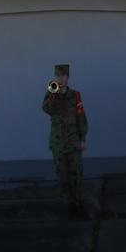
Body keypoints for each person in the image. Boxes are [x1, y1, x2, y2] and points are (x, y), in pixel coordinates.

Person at [41, 64, 88, 220]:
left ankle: (79, 205)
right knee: (63, 176)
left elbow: (81, 119)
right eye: (57, 76)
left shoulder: (75, 96)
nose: (60, 79)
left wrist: (82, 139)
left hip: (73, 143)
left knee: (77, 176)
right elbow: (47, 109)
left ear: (68, 78)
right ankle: (69, 206)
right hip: (58, 143)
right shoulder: (50, 94)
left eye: (62, 76)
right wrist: (54, 94)